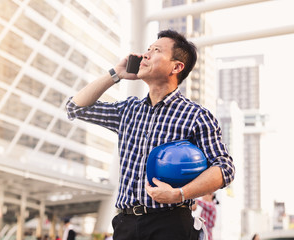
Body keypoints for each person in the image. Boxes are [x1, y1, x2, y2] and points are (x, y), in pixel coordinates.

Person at [66, 29, 235, 240]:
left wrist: (179, 194)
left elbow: (225, 168)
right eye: (147, 50)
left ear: (176, 66)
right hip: (126, 225)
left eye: (156, 51)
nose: (145, 55)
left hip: (171, 224)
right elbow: (75, 108)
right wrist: (116, 74)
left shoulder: (196, 116)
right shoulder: (128, 110)